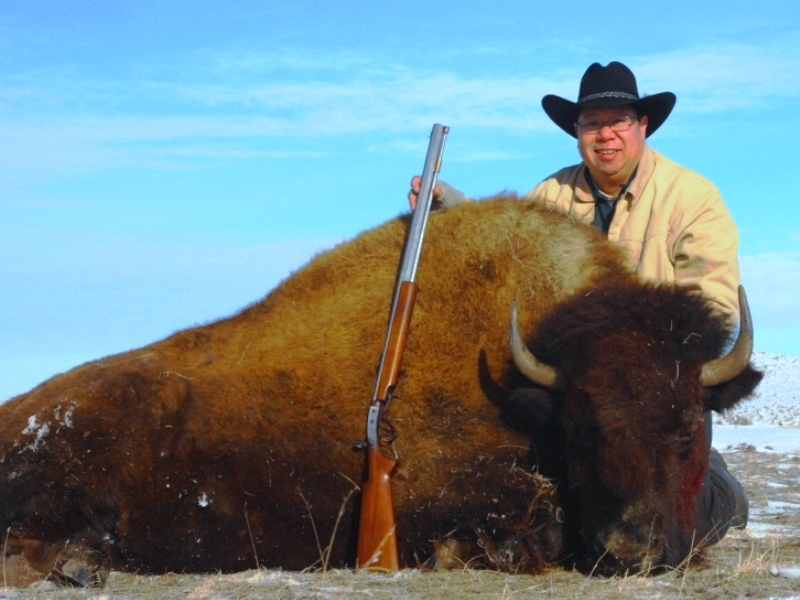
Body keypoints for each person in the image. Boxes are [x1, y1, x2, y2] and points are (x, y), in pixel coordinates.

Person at [409, 61, 747, 545]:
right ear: (576, 131)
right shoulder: (552, 194)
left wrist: (644, 361)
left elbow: (712, 306)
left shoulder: (692, 197)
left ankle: (722, 494)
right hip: (583, 394)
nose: (606, 135)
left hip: (655, 395)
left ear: (642, 126)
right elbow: (513, 244)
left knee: (682, 526)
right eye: (593, 123)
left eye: (619, 122)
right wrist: (447, 207)